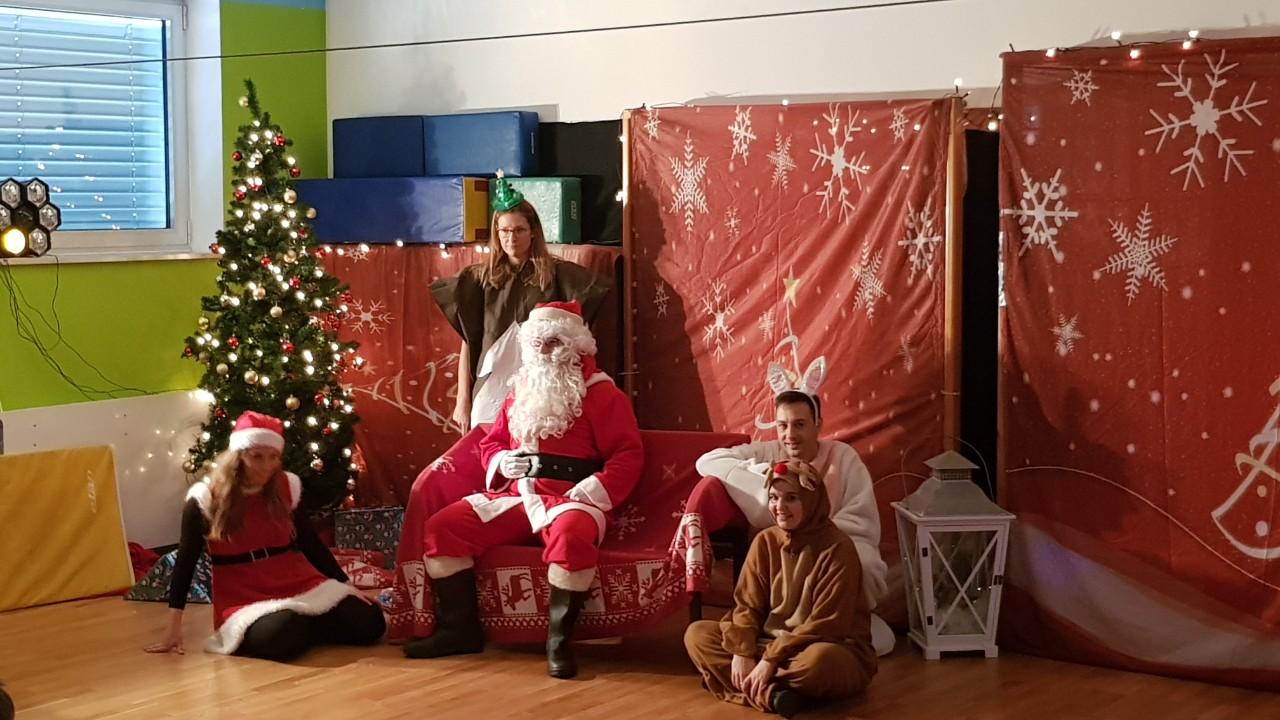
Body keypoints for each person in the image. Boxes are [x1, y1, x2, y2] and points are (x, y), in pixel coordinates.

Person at [403, 301, 643, 679]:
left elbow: (628, 454)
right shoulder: (519, 392)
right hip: (518, 495)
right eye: (536, 343)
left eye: (553, 343)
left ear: (576, 345)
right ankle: (459, 631)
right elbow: (492, 442)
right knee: (442, 528)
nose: (543, 351)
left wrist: (594, 489)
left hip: (571, 499)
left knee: (571, 535)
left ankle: (558, 643)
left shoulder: (602, 395)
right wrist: (502, 462)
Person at [145, 411, 385, 661]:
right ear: (238, 456)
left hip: (298, 580)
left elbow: (310, 543)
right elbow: (186, 562)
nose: (266, 465)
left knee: (371, 622)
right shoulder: (205, 498)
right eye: (256, 457)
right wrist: (173, 627)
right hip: (245, 594)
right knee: (281, 635)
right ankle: (308, 625)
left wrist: (346, 587)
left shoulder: (287, 486)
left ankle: (309, 624)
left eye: (273, 457)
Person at [687, 389, 895, 656]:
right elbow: (707, 461)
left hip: (835, 545)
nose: (790, 434)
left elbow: (860, 517)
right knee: (699, 636)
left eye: (799, 425)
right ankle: (776, 645)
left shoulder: (843, 457)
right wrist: (764, 473)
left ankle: (827, 637)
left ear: (817, 424)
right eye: (782, 425)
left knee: (860, 565)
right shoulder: (768, 452)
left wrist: (817, 537)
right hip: (783, 548)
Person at [685, 460, 876, 717]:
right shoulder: (765, 541)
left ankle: (748, 686)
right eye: (774, 498)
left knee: (820, 663)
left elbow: (827, 625)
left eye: (791, 498)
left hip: (820, 646)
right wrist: (742, 650)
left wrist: (769, 660)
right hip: (767, 644)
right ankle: (775, 696)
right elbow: (747, 606)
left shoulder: (838, 548)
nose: (780, 507)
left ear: (811, 501)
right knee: (697, 635)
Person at [431, 172, 611, 432]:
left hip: (538, 388)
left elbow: (577, 332)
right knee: (488, 446)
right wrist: (463, 399)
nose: (511, 238)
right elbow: (468, 343)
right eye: (504, 231)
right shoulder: (478, 279)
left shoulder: (557, 275)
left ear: (533, 232)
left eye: (519, 230)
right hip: (491, 385)